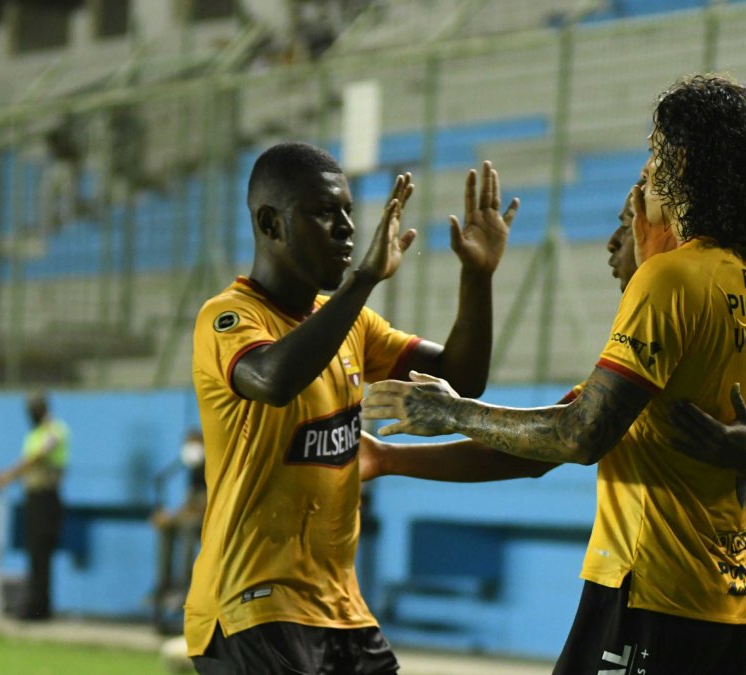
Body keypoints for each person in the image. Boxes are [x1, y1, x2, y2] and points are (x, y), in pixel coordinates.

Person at [365, 73, 746, 675]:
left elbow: (577, 435)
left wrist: (449, 410)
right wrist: (389, 461)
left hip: (653, 587)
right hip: (738, 601)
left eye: (655, 158)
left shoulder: (673, 281)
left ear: (683, 163)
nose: (616, 235)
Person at [185, 141, 516, 675]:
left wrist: (476, 277)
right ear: (270, 224)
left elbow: (460, 377)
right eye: (323, 213)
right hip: (252, 603)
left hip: (340, 608)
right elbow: (272, 379)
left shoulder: (353, 326)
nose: (346, 229)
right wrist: (362, 281)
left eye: (348, 212)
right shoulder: (226, 318)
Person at [0, 391, 70, 621]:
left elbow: (36, 457)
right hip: (34, 497)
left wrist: (5, 476)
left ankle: (39, 607)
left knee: (41, 551)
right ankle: (37, 604)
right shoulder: (34, 434)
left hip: (47, 497)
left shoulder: (54, 430)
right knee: (35, 552)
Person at [151, 428, 208, 634]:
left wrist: (182, 515)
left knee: (188, 528)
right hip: (191, 517)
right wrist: (169, 516)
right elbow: (190, 501)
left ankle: (185, 586)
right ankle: (165, 586)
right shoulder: (192, 469)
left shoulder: (212, 464)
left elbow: (207, 502)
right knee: (165, 528)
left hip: (208, 522)